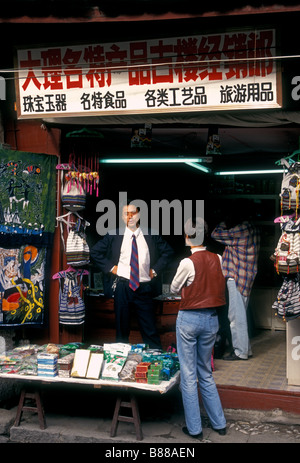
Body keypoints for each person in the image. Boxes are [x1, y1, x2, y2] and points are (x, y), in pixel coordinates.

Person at [170, 217, 227, 440]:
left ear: (187, 238)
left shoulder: (187, 263)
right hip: (212, 319)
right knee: (205, 372)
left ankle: (194, 429)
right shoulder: (218, 258)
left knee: (188, 373)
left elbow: (175, 288)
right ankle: (219, 424)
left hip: (189, 319)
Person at [90, 200, 174, 349]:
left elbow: (168, 252)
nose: (130, 216)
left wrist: (154, 270)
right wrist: (111, 267)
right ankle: (120, 364)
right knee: (122, 330)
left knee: (150, 330)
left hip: (144, 288)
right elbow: (95, 251)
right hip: (123, 287)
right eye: (126, 214)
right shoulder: (114, 235)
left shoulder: (151, 235)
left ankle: (157, 362)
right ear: (122, 217)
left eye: (133, 213)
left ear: (139, 215)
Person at [211, 202, 260, 361]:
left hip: (237, 277)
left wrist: (223, 222)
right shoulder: (253, 227)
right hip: (247, 276)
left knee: (235, 317)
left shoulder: (240, 230)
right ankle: (246, 349)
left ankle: (240, 352)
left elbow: (215, 234)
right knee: (240, 315)